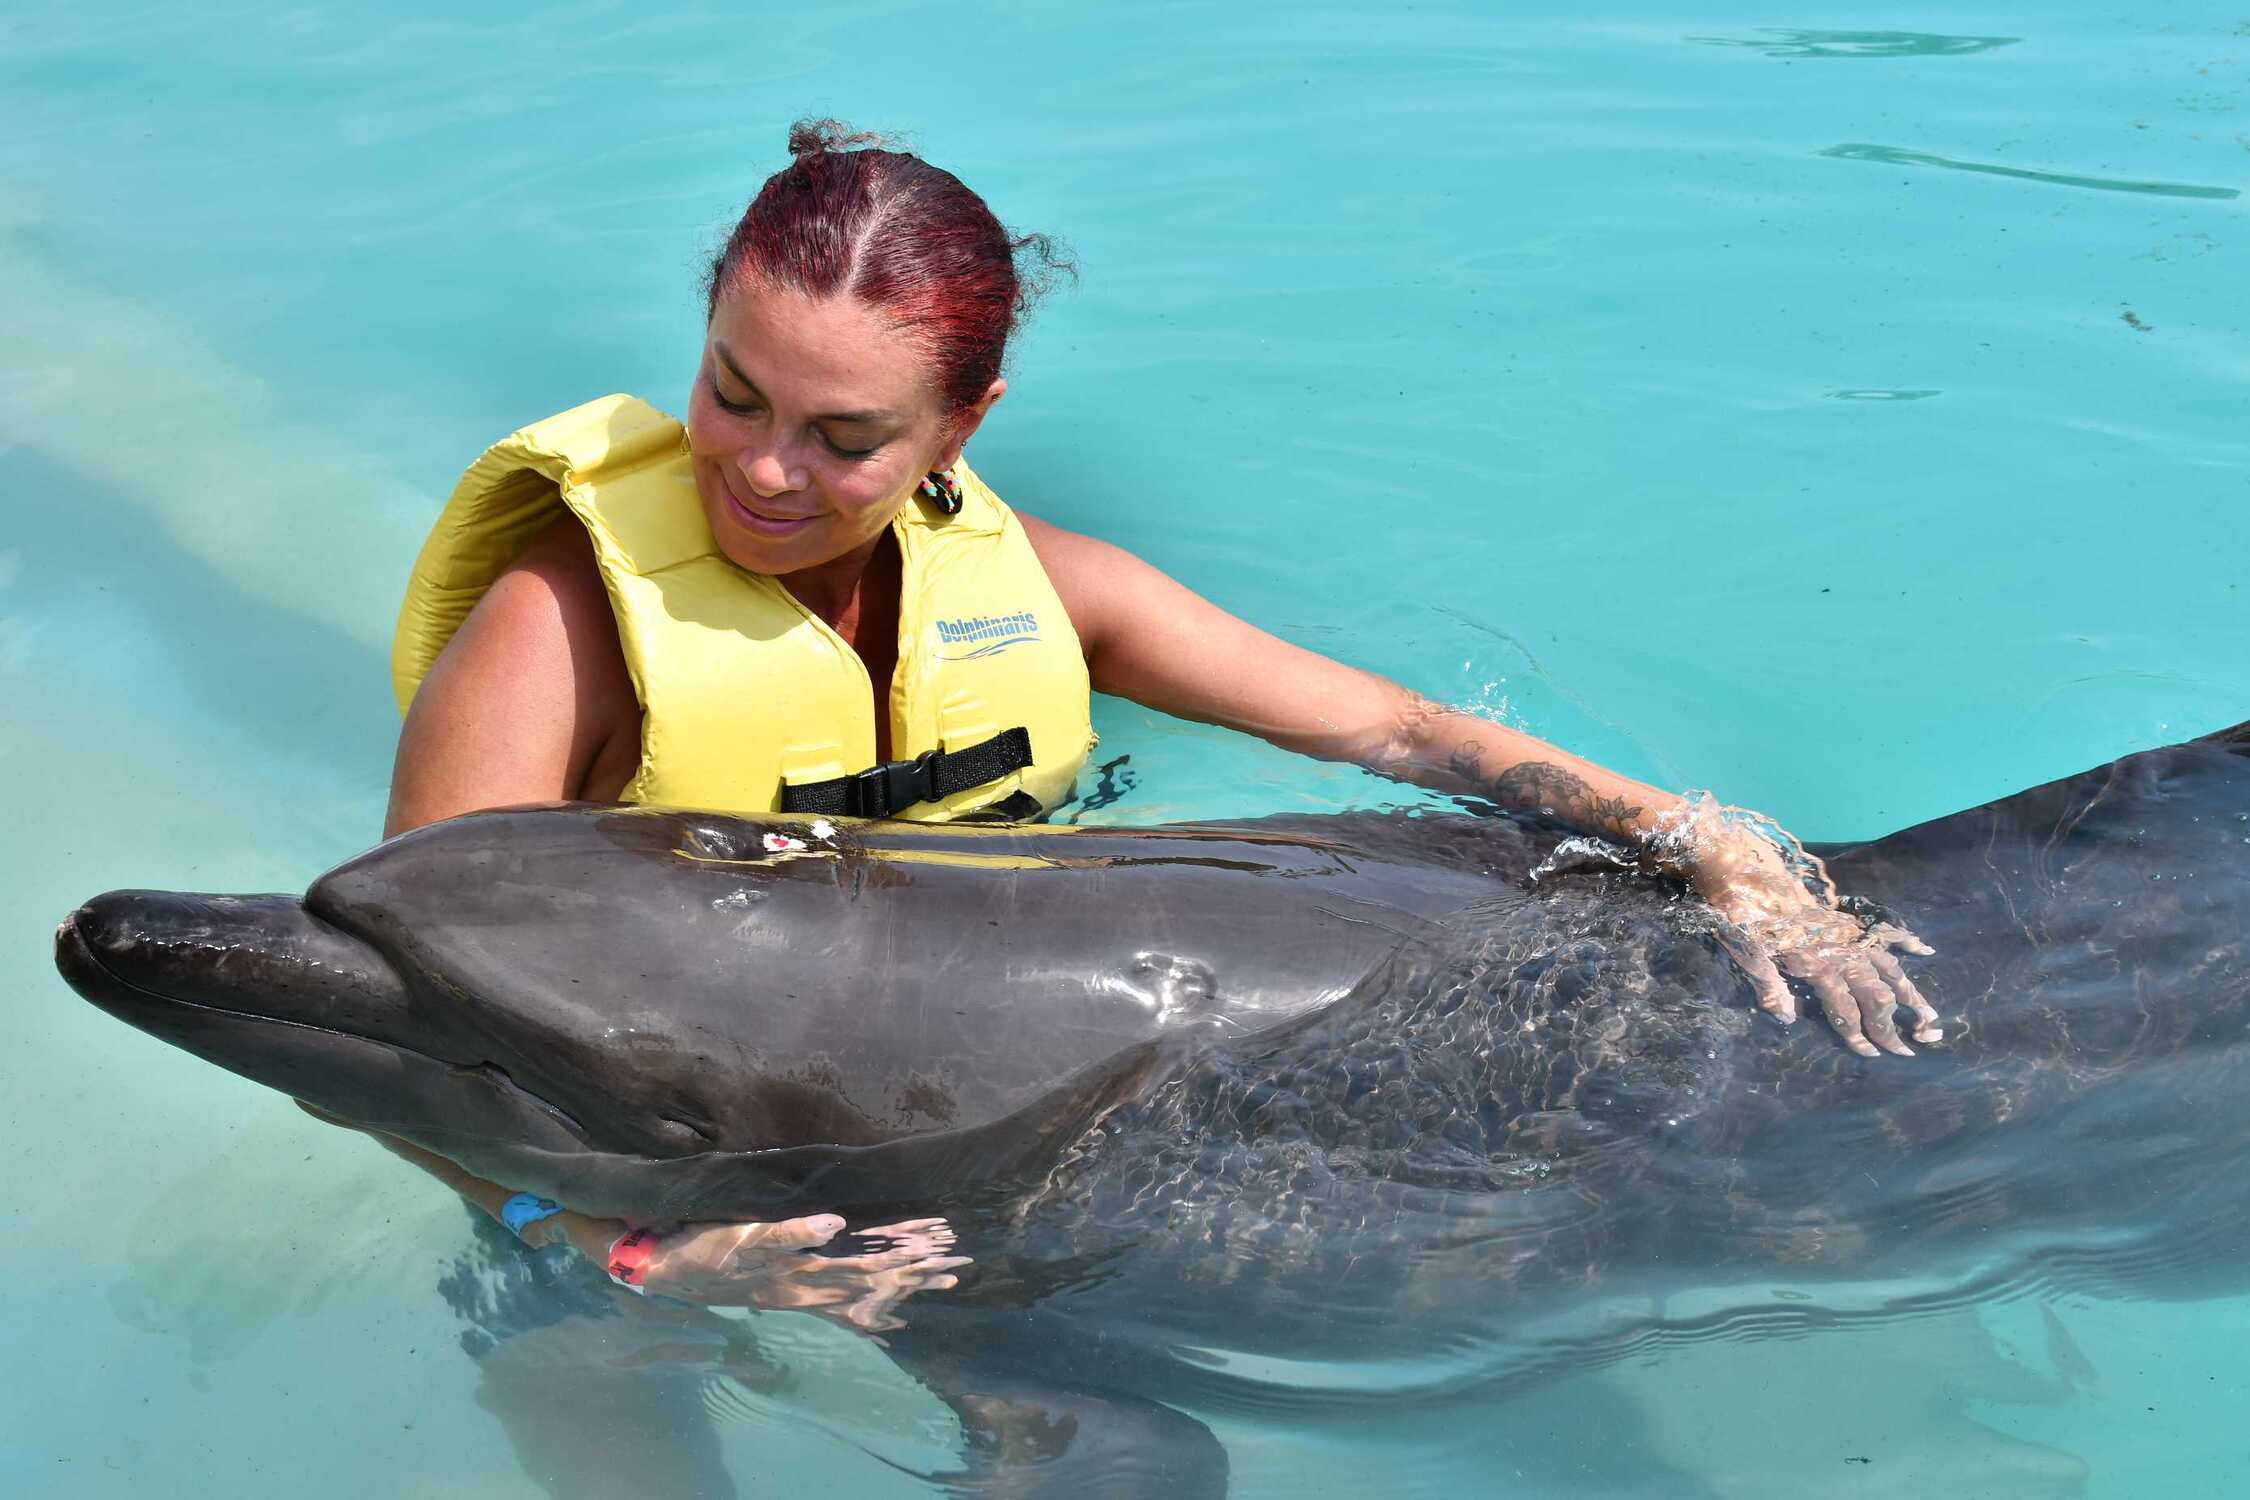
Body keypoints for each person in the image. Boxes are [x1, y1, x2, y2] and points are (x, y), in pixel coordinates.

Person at [362, 119, 1939, 1312]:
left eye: (845, 437)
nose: (764, 472)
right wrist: (618, 1256)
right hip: (651, 1198)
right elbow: (405, 1040)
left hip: (975, 1128)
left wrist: (1707, 846)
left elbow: (1394, 733)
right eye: (732, 392)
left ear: (961, 426)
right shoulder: (558, 630)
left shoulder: (1046, 588)